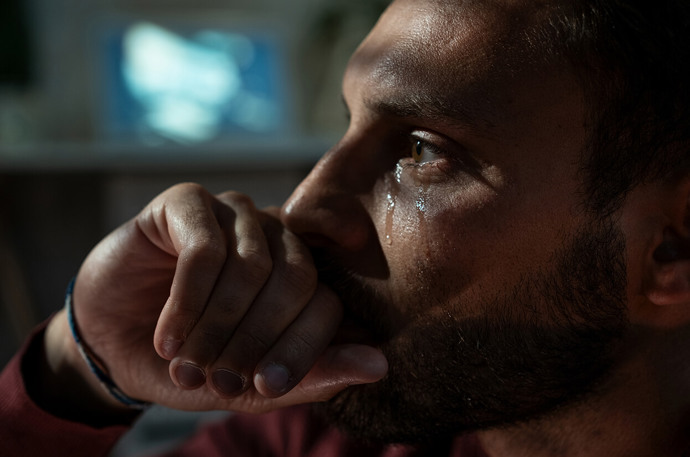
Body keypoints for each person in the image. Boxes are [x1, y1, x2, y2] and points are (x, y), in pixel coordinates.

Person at [2, 0, 690, 455]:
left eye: (423, 149)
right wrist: (76, 367)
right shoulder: (304, 442)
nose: (303, 208)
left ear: (672, 252)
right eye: (348, 123)